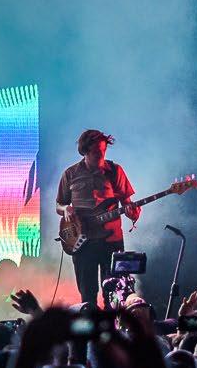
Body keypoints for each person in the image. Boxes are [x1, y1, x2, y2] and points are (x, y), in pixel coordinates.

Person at [57, 129, 138, 307]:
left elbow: (129, 205)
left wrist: (133, 212)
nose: (101, 155)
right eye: (96, 152)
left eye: (103, 150)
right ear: (84, 151)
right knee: (88, 296)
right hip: (83, 243)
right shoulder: (70, 174)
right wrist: (66, 209)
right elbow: (59, 205)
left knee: (116, 295)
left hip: (112, 241)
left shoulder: (115, 171)